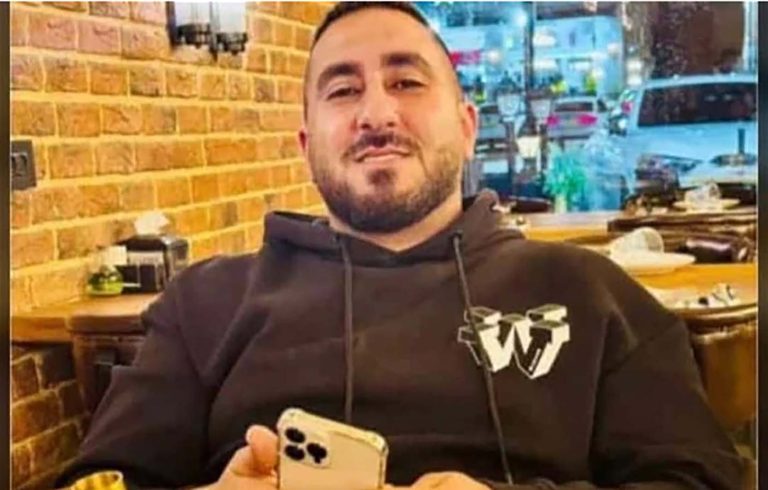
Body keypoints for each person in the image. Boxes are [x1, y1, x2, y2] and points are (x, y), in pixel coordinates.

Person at [57, 3, 743, 489]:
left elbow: (697, 478)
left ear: (468, 127)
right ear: (306, 145)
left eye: (406, 82)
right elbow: (100, 480)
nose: (377, 112)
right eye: (342, 89)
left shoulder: (590, 293)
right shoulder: (205, 304)